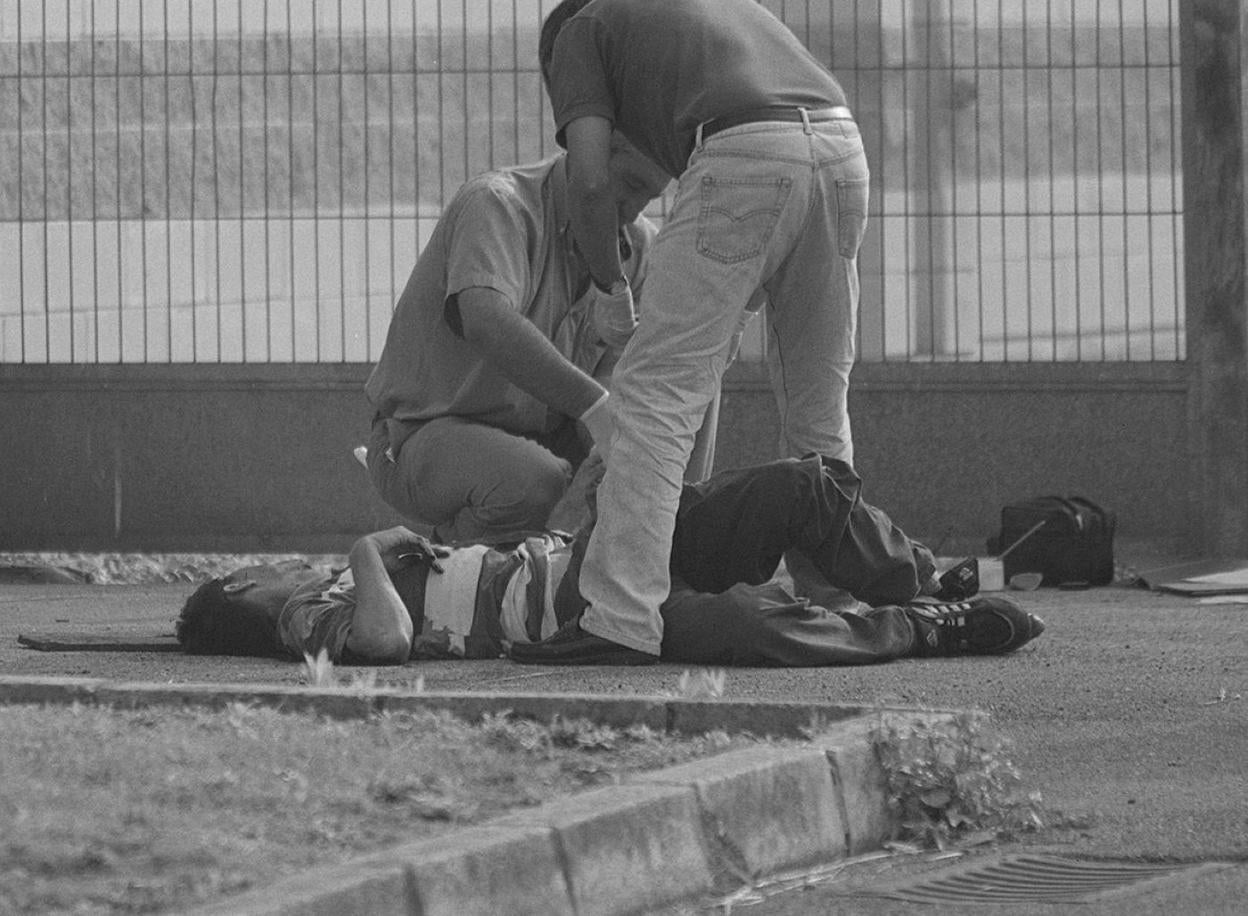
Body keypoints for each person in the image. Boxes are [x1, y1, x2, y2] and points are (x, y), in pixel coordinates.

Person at [520, 0, 875, 664]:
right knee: (818, 400)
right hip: (842, 145)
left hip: (743, 154)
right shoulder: (701, 12)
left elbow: (590, 178)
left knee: (654, 398)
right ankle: (838, 600)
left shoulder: (578, 31)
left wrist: (607, 285)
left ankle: (620, 617)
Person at [176, 455, 1045, 667]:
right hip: (577, 621)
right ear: (242, 595)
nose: (269, 570)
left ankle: (915, 579)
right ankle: (926, 629)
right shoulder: (303, 622)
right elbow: (388, 646)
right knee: (739, 624)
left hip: (584, 557)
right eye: (251, 575)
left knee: (798, 487)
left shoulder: (320, 590)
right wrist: (366, 551)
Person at [363, 133, 718, 543]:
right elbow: (484, 319)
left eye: (650, 196)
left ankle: (678, 541)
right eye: (631, 185)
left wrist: (621, 463)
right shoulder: (498, 205)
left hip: (546, 441)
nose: (634, 210)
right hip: (422, 435)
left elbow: (613, 381)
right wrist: (597, 411)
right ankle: (442, 578)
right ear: (588, 159)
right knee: (535, 483)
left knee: (697, 372)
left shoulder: (640, 247)